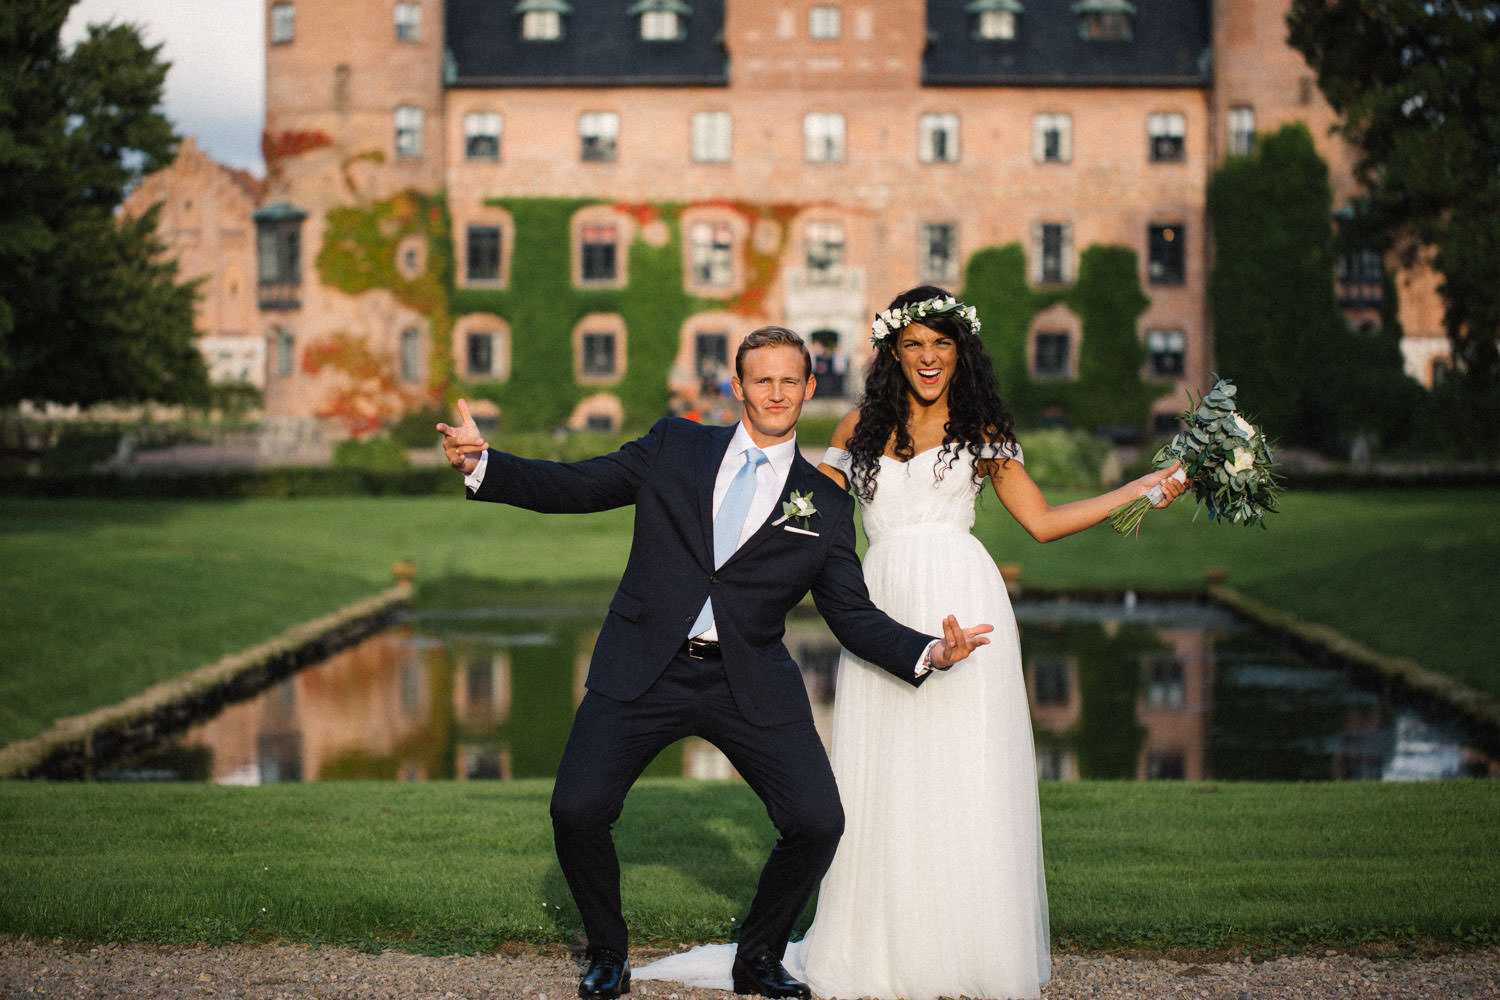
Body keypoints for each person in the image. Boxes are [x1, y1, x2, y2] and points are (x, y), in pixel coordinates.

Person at [635, 290, 1184, 1000]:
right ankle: (879, 950)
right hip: (880, 610)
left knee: (964, 776)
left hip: (966, 603)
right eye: (916, 344)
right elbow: (799, 512)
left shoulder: (981, 428)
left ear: (962, 352)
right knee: (882, 779)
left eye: (943, 344)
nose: (929, 358)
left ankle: (970, 953)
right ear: (894, 350)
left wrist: (1140, 487)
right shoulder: (859, 425)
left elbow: (1042, 522)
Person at [436, 325, 994, 1000]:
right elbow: (576, 486)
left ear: (811, 389)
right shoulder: (676, 446)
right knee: (577, 810)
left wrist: (929, 649)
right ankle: (608, 952)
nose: (777, 393)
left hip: (747, 678)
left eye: (792, 380)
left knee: (818, 821)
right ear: (738, 387)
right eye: (763, 380)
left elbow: (850, 615)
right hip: (645, 664)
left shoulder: (823, 504)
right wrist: (483, 464)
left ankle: (757, 958)